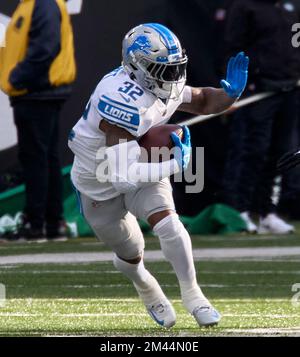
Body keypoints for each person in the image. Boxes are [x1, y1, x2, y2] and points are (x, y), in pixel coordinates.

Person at [68, 23, 248, 328]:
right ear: (137, 68)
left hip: (138, 162)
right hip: (98, 179)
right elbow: (122, 178)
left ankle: (194, 295)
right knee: (130, 252)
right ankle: (145, 285)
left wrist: (229, 95)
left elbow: (203, 99)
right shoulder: (120, 99)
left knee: (170, 224)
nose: (173, 78)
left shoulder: (162, 80)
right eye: (164, 70)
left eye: (175, 68)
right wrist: (175, 165)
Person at [221, 0, 300, 234]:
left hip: (289, 88)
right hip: (260, 91)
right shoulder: (245, 7)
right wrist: (244, 86)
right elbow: (232, 48)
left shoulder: (291, 6)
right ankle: (241, 209)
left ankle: (267, 212)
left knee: (282, 151)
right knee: (254, 150)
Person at [0, 0, 76, 241]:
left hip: (36, 92)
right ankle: (52, 223)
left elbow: (45, 48)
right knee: (45, 158)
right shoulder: (34, 4)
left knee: (35, 158)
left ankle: (37, 223)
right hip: (37, 93)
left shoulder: (42, 3)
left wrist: (15, 78)